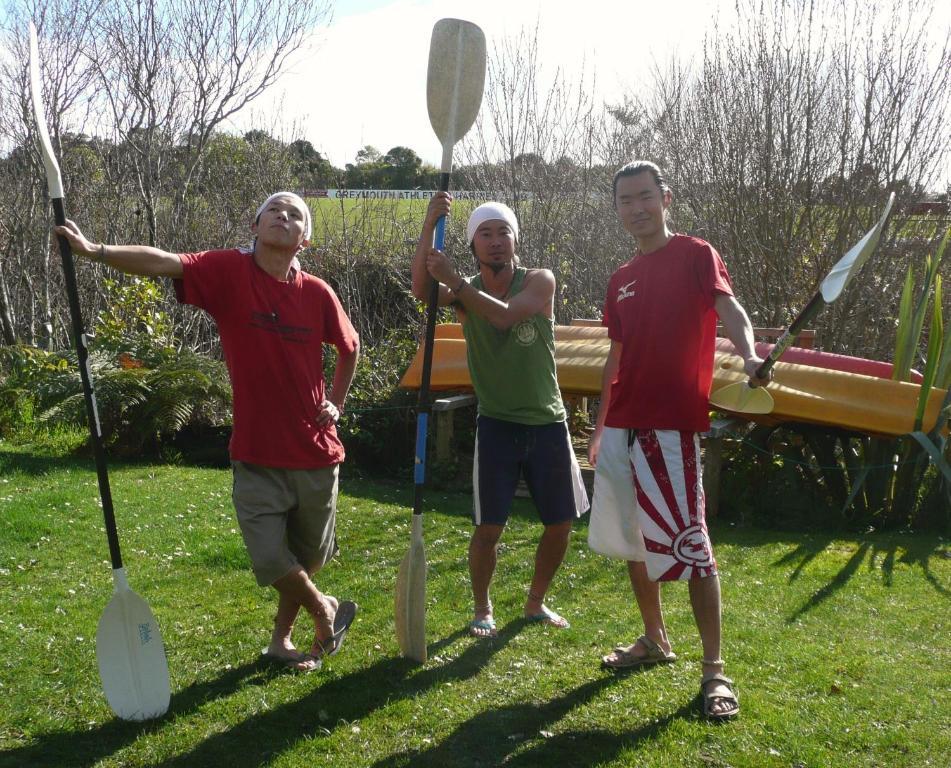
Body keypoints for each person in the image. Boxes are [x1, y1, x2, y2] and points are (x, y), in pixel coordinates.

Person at [55, 192, 360, 672]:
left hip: (316, 452)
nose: (284, 216)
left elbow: (350, 346)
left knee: (306, 558)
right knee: (269, 558)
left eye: (295, 214)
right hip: (256, 452)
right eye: (274, 210)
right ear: (256, 224)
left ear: (306, 238)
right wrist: (96, 252)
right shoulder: (228, 271)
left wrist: (335, 403)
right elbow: (163, 263)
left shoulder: (318, 292)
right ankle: (325, 609)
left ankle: (282, 641)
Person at [587, 162, 770, 720]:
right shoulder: (620, 278)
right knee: (636, 540)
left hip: (672, 427)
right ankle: (655, 639)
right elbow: (616, 357)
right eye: (625, 200)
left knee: (691, 546)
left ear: (665, 198)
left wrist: (749, 353)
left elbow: (728, 308)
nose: (636, 208)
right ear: (616, 207)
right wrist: (599, 425)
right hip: (622, 427)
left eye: (645, 197)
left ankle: (715, 673)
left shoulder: (696, 253)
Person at [411, 194, 589, 638]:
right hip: (497, 425)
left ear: (515, 240)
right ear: (473, 244)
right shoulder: (463, 290)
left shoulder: (539, 281)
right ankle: (482, 608)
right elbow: (421, 291)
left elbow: (506, 318)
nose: (495, 241)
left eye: (503, 232)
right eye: (485, 234)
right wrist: (428, 225)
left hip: (548, 422)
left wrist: (458, 283)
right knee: (489, 526)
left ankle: (535, 603)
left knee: (560, 523)